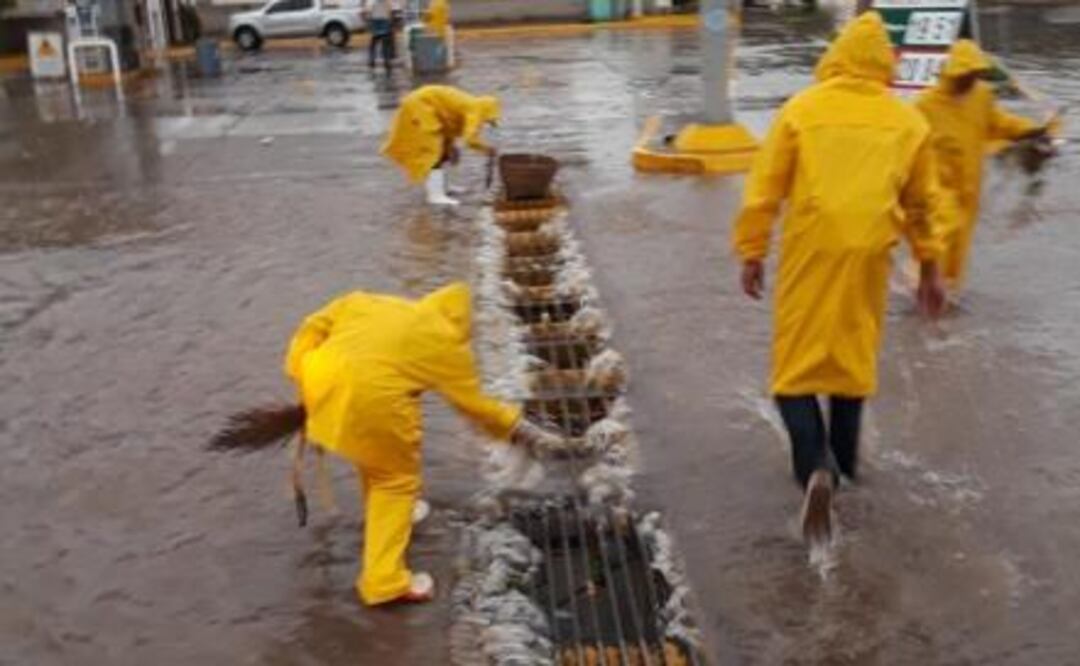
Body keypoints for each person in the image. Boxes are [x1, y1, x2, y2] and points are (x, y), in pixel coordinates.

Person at [731, 12, 946, 545]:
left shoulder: (801, 110)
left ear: (835, 57)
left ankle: (816, 468)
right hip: (871, 251)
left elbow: (764, 189)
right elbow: (924, 204)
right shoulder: (908, 121)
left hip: (813, 248)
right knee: (852, 362)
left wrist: (752, 252)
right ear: (883, 66)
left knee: (793, 371)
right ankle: (847, 474)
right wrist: (931, 268)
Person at [284, 282, 560, 604]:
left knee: (373, 454)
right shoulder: (446, 344)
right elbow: (475, 406)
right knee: (395, 481)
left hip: (321, 385)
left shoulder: (370, 302)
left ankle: (395, 516)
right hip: (369, 402)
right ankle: (384, 581)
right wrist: (519, 430)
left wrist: (300, 368)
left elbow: (315, 324)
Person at [915, 39, 1047, 289]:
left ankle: (944, 300)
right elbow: (907, 143)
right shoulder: (925, 105)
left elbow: (998, 123)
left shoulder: (981, 96)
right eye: (965, 74)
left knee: (957, 258)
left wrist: (1029, 130)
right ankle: (925, 294)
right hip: (937, 189)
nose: (969, 80)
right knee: (941, 236)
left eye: (975, 74)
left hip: (969, 190)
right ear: (952, 72)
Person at [381, 84, 500, 206]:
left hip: (427, 107)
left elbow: (448, 124)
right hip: (420, 106)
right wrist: (487, 149)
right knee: (432, 152)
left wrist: (451, 147)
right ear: (487, 112)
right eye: (489, 120)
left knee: (443, 148)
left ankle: (444, 187)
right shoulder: (475, 111)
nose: (487, 123)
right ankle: (435, 196)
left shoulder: (473, 105)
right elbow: (470, 140)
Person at [363, 0, 398, 74]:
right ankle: (386, 62)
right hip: (384, 22)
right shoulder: (387, 2)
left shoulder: (371, 2)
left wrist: (369, 22)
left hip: (376, 22)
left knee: (373, 44)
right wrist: (391, 23)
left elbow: (368, 12)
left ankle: (372, 61)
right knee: (384, 44)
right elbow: (391, 12)